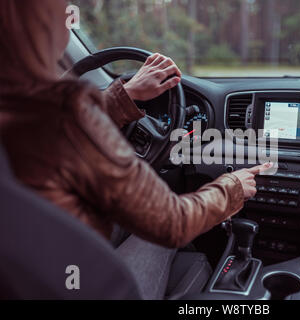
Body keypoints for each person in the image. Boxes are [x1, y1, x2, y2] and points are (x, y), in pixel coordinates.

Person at [0, 0, 272, 299]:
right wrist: (232, 187)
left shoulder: (33, 114)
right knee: (158, 229)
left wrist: (125, 95)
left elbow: (49, 131)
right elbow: (173, 222)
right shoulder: (66, 112)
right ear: (41, 24)